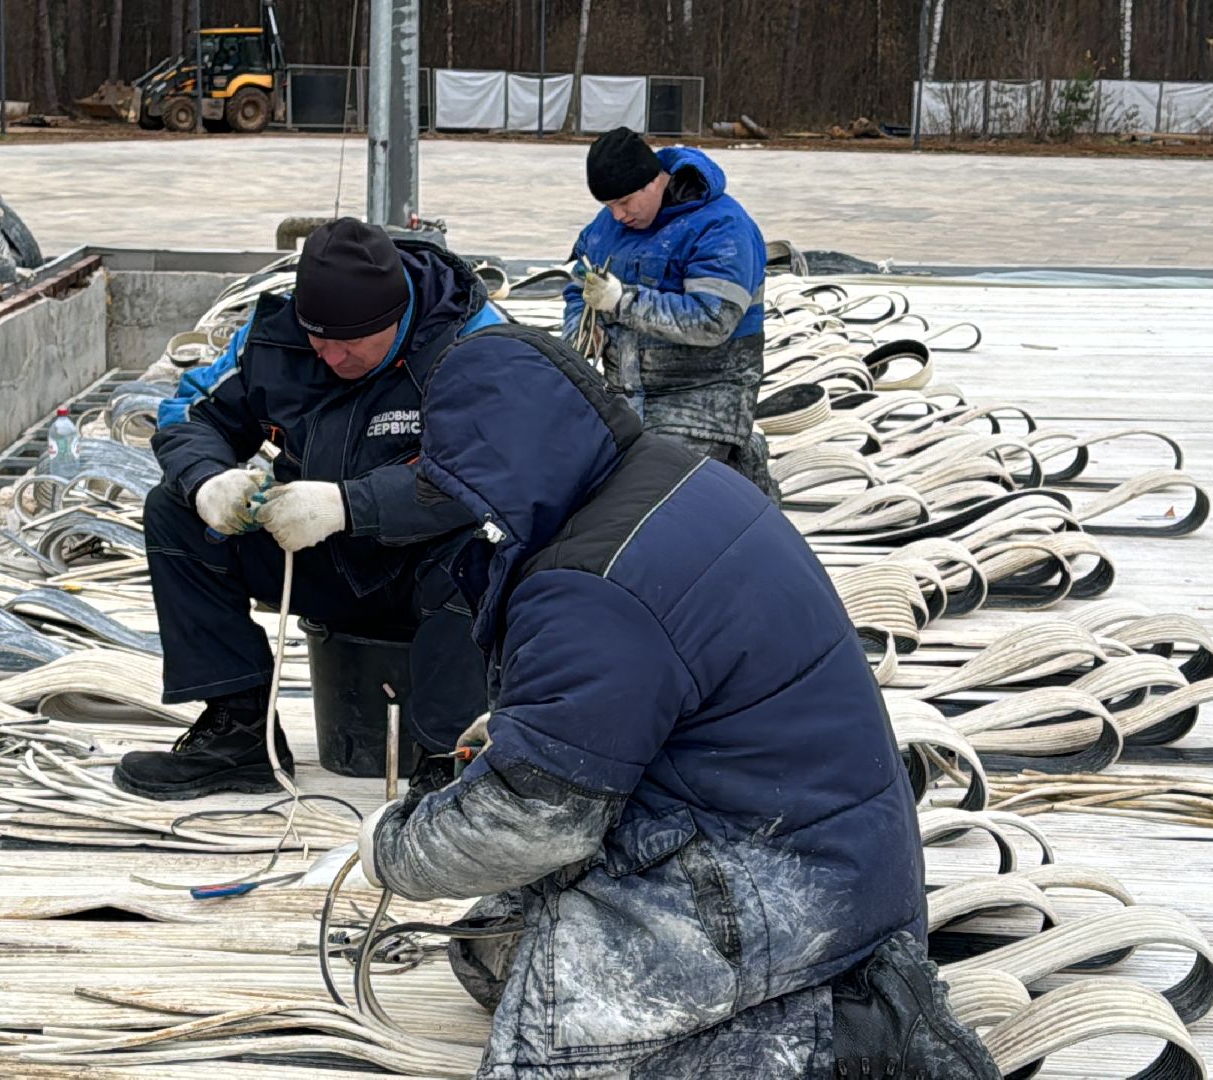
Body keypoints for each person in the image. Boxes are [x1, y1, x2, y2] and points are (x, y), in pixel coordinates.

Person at [354, 324, 998, 1079]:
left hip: (790, 891)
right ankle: (835, 995)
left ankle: (843, 1035)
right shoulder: (675, 477)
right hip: (837, 854)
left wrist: (392, 848)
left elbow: (534, 822)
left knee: (543, 1055)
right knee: (493, 953)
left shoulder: (589, 587)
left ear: (499, 470)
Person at [114, 219, 506, 801]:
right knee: (173, 512)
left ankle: (449, 760)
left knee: (487, 555)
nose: (331, 357)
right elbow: (191, 412)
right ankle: (241, 733)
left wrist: (349, 505)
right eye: (318, 340)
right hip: (316, 553)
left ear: (395, 318)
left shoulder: (478, 343)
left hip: (425, 565)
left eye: (351, 343)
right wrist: (209, 482)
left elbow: (491, 471)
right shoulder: (274, 335)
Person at [563, 126, 781, 500]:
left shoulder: (721, 226)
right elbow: (577, 284)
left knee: (661, 499)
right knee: (593, 487)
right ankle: (734, 473)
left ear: (654, 182)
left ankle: (740, 467)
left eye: (626, 201)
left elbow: (713, 320)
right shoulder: (605, 229)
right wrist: (581, 328)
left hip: (704, 400)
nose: (618, 215)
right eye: (608, 206)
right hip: (628, 396)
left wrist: (621, 301)